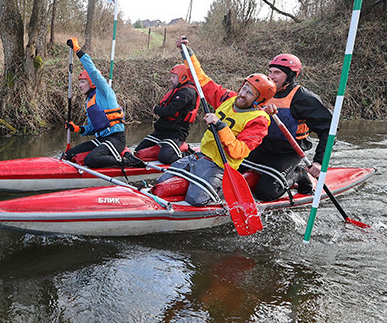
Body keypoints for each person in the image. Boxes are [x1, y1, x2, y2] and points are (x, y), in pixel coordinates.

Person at [155, 37, 276, 206]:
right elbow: (202, 81)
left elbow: (239, 151)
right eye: (244, 88)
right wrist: (186, 52)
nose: (242, 94)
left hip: (218, 166)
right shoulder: (228, 98)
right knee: (160, 182)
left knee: (196, 200)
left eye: (250, 93)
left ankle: (223, 193)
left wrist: (220, 126)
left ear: (259, 100)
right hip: (198, 157)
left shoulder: (259, 121)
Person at [239, 53, 333, 200]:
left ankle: (299, 174)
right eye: (270, 72)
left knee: (266, 192)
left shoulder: (304, 98)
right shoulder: (262, 92)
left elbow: (328, 130)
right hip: (260, 147)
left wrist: (319, 162)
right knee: (227, 172)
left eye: (277, 73)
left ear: (290, 75)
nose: (271, 76)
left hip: (287, 153)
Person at [61, 37, 134, 168]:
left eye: (82, 82)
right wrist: (78, 129)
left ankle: (127, 162)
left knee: (91, 159)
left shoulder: (104, 91)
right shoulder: (89, 102)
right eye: (79, 82)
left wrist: (77, 50)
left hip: (116, 139)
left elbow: (92, 71)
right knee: (69, 154)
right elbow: (92, 128)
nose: (79, 85)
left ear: (92, 82)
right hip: (102, 140)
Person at [133, 63, 200, 164]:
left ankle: (188, 154)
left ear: (183, 77)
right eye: (171, 76)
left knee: (165, 158)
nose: (171, 79)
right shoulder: (178, 90)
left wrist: (156, 109)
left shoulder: (187, 93)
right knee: (138, 151)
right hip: (162, 131)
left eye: (173, 77)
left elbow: (169, 111)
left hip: (176, 133)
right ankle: (166, 149)